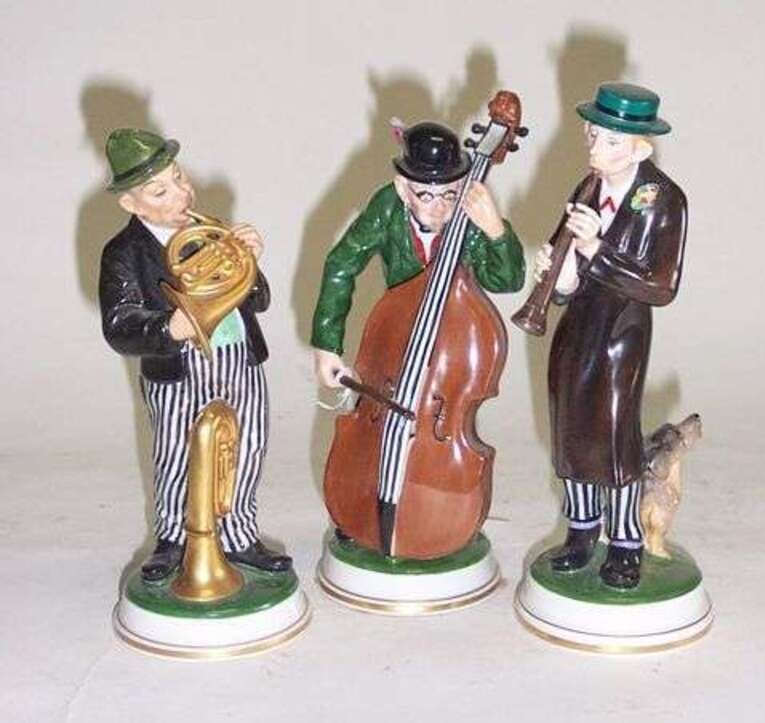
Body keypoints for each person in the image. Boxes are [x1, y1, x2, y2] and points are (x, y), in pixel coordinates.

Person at [99, 128, 291, 581]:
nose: (181, 193)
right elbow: (119, 327)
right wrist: (171, 327)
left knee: (246, 445)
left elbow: (259, 301)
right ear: (131, 204)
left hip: (239, 357)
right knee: (176, 452)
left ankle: (239, 533)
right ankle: (173, 537)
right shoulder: (123, 253)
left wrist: (251, 261)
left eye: (180, 177)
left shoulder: (210, 231)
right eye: (160, 191)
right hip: (179, 368)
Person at [533, 83, 687, 588]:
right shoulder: (587, 187)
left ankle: (624, 540)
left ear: (640, 148)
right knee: (570, 428)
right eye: (593, 135)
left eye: (611, 141)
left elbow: (661, 286)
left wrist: (596, 248)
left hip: (622, 333)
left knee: (614, 436)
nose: (596, 148)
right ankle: (581, 529)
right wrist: (557, 272)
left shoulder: (664, 200)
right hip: (577, 328)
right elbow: (569, 278)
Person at [312, 121, 525, 387]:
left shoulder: (470, 217)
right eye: (426, 195)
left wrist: (496, 231)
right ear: (402, 188)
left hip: (455, 341)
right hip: (399, 329)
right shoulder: (388, 207)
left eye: (449, 194)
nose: (439, 207)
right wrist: (326, 346)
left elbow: (505, 282)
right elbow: (342, 264)